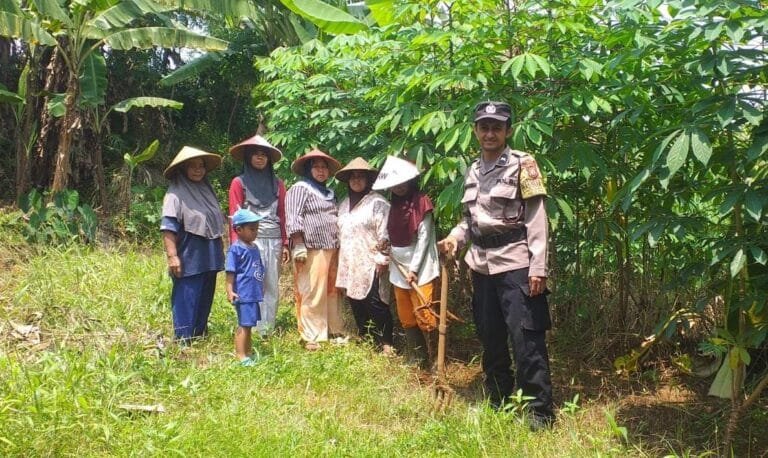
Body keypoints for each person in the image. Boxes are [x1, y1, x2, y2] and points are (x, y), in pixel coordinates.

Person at [438, 101, 554, 430]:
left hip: (516, 263)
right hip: (481, 266)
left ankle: (538, 413)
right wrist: (454, 238)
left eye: (497, 127)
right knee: (490, 338)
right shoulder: (473, 169)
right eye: (484, 127)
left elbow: (536, 218)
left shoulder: (523, 164)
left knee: (526, 339)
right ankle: (499, 399)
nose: (490, 133)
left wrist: (538, 267)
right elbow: (470, 220)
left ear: (507, 131)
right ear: (475, 131)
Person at [371, 156, 439, 369]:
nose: (398, 187)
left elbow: (424, 239)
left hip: (421, 268)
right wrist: (385, 243)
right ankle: (417, 357)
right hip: (398, 269)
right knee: (406, 315)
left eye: (402, 182)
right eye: (394, 183)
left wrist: (414, 269)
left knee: (425, 314)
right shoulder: (394, 205)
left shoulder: (422, 202)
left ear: (410, 180)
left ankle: (434, 359)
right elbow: (392, 234)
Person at [160, 146, 225, 344]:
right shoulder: (175, 194)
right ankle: (183, 338)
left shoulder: (207, 190)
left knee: (206, 291)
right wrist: (172, 256)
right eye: (192, 166)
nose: (198, 170)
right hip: (189, 251)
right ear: (183, 169)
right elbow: (168, 227)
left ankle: (199, 333)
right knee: (187, 293)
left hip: (209, 251)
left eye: (201, 166)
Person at [228, 134, 289, 337]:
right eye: (255, 154)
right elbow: (234, 215)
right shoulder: (239, 183)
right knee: (251, 283)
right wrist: (236, 246)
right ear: (248, 157)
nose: (260, 157)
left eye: (264, 154)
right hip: (249, 242)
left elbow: (283, 214)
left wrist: (286, 242)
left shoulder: (278, 184)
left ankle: (267, 329)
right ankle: (250, 327)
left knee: (271, 283)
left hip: (274, 240)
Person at [285, 149, 345, 351]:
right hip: (311, 247)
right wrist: (298, 243)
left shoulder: (329, 193)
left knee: (332, 291)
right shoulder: (300, 188)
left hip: (331, 247)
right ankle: (310, 335)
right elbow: (293, 216)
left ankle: (333, 330)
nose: (321, 171)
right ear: (308, 170)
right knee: (312, 290)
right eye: (316, 167)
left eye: (324, 167)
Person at [335, 157, 394, 355]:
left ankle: (386, 343)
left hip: (371, 262)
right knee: (355, 301)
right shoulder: (344, 205)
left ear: (368, 179)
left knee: (376, 302)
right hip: (350, 262)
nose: (356, 180)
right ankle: (367, 338)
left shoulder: (378, 203)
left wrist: (383, 258)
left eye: (361, 176)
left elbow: (385, 233)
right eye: (353, 177)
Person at [226, 208, 266, 366]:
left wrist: (261, 286)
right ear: (239, 230)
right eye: (252, 229)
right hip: (243, 294)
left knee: (249, 325)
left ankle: (248, 352)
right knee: (244, 324)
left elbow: (259, 268)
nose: (255, 232)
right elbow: (230, 272)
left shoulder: (254, 248)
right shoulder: (235, 249)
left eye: (256, 229)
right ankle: (241, 355)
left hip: (253, 293)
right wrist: (230, 290)